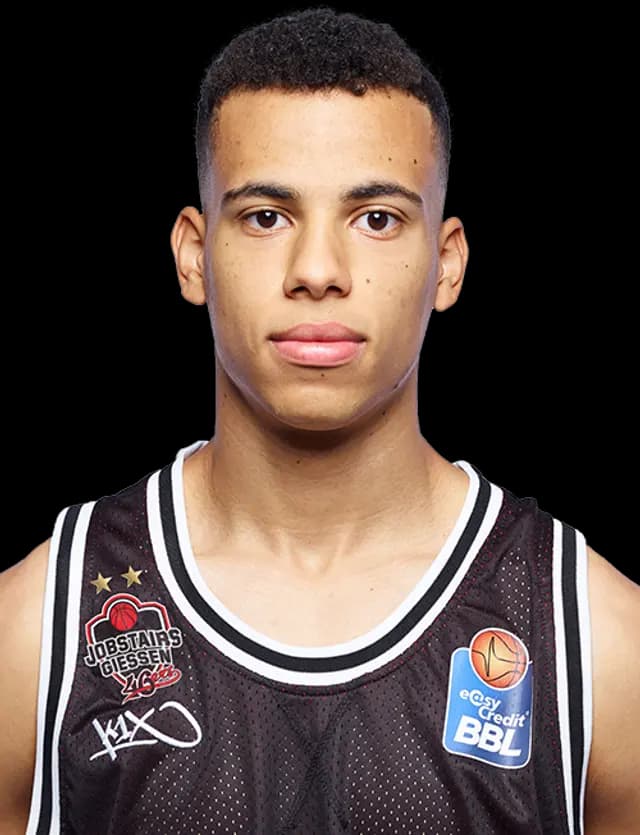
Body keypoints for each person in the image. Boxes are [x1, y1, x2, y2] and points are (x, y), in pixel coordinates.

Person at [1, 6, 638, 834]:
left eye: (376, 219)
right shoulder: (36, 632)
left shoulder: (595, 642)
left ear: (446, 263)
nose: (317, 270)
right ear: (194, 255)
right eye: (266, 216)